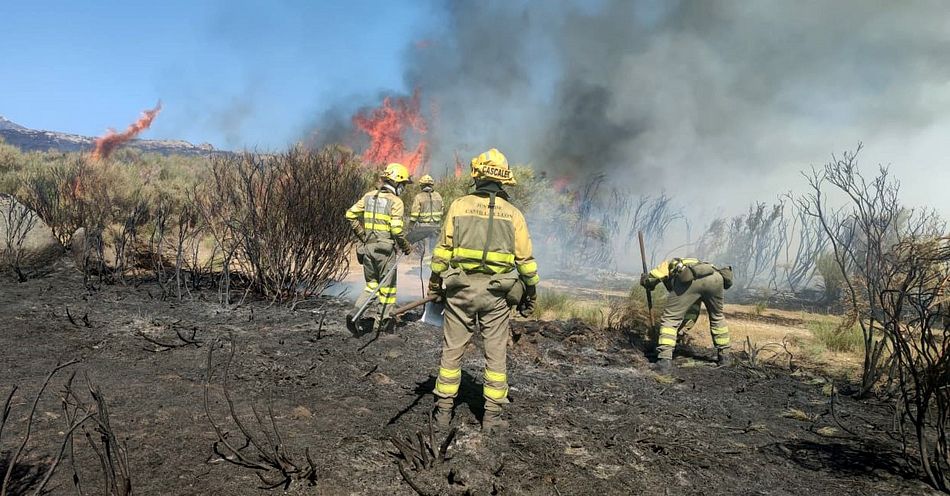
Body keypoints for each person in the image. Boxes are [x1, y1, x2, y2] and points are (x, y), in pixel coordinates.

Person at [427, 148, 539, 433]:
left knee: (452, 352)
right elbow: (525, 263)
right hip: (496, 295)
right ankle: (492, 418)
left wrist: (435, 284)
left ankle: (443, 413)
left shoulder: (459, 205)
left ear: (477, 175)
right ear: (503, 180)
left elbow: (442, 252)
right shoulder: (513, 214)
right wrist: (530, 294)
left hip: (460, 291)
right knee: (495, 353)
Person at [344, 163, 413, 334]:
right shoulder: (396, 202)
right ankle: (382, 325)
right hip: (385, 251)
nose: (403, 188)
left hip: (368, 248)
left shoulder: (368, 196)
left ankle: (355, 313)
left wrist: (363, 236)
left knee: (372, 285)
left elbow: (350, 214)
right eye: (403, 184)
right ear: (396, 182)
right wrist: (405, 246)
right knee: (388, 290)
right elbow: (396, 230)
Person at [640, 258, 733, 373]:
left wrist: (645, 280)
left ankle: (664, 360)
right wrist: (678, 334)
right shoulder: (693, 262)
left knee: (670, 318)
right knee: (717, 317)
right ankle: (725, 357)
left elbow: (654, 277)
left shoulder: (667, 264)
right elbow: (692, 314)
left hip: (691, 280)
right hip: (716, 278)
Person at [408, 174, 444, 256]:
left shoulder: (419, 197)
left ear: (421, 185)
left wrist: (410, 226)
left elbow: (414, 214)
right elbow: (442, 210)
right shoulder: (438, 196)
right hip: (435, 226)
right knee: (433, 249)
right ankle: (431, 261)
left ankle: (422, 262)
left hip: (423, 226)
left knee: (422, 250)